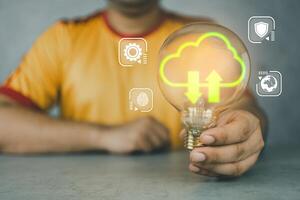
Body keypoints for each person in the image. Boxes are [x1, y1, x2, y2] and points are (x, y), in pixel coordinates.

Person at [0, 0, 265, 177]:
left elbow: (243, 108)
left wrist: (246, 125)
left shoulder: (202, 36)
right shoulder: (64, 38)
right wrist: (103, 136)